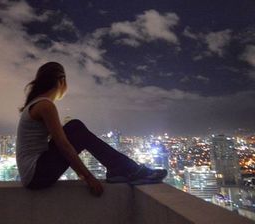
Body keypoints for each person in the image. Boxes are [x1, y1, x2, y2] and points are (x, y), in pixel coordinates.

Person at [16, 61, 167, 197]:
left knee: (74, 128)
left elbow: (62, 141)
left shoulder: (36, 104)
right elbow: (63, 145)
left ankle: (122, 168)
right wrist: (88, 178)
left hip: (33, 174)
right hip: (36, 175)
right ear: (61, 81)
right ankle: (128, 169)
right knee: (75, 127)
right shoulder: (45, 105)